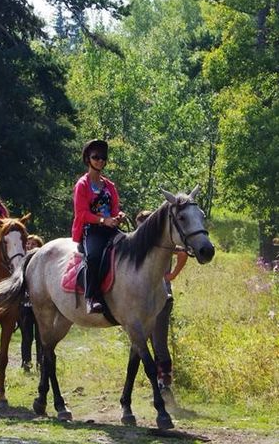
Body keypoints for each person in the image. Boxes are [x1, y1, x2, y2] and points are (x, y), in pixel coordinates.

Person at [136, 209, 189, 400]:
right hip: (140, 301)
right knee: (142, 344)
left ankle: (165, 386)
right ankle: (157, 384)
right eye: (139, 225)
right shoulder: (138, 244)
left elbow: (182, 254)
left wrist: (172, 275)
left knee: (159, 344)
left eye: (144, 224)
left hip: (161, 298)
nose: (141, 228)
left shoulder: (162, 245)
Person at [72, 139, 126, 314]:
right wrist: (103, 220)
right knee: (94, 257)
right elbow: (81, 214)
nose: (100, 161)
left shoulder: (110, 186)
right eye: (96, 157)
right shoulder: (82, 184)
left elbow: (114, 208)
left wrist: (118, 216)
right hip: (91, 230)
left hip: (110, 229)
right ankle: (91, 297)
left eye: (103, 157)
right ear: (88, 159)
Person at [19, 234, 44, 371]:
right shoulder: (20, 262)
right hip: (24, 306)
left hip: (40, 306)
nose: (29, 246)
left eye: (33, 244)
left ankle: (41, 362)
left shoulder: (43, 264)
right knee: (26, 336)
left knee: (41, 336)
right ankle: (26, 362)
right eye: (27, 244)